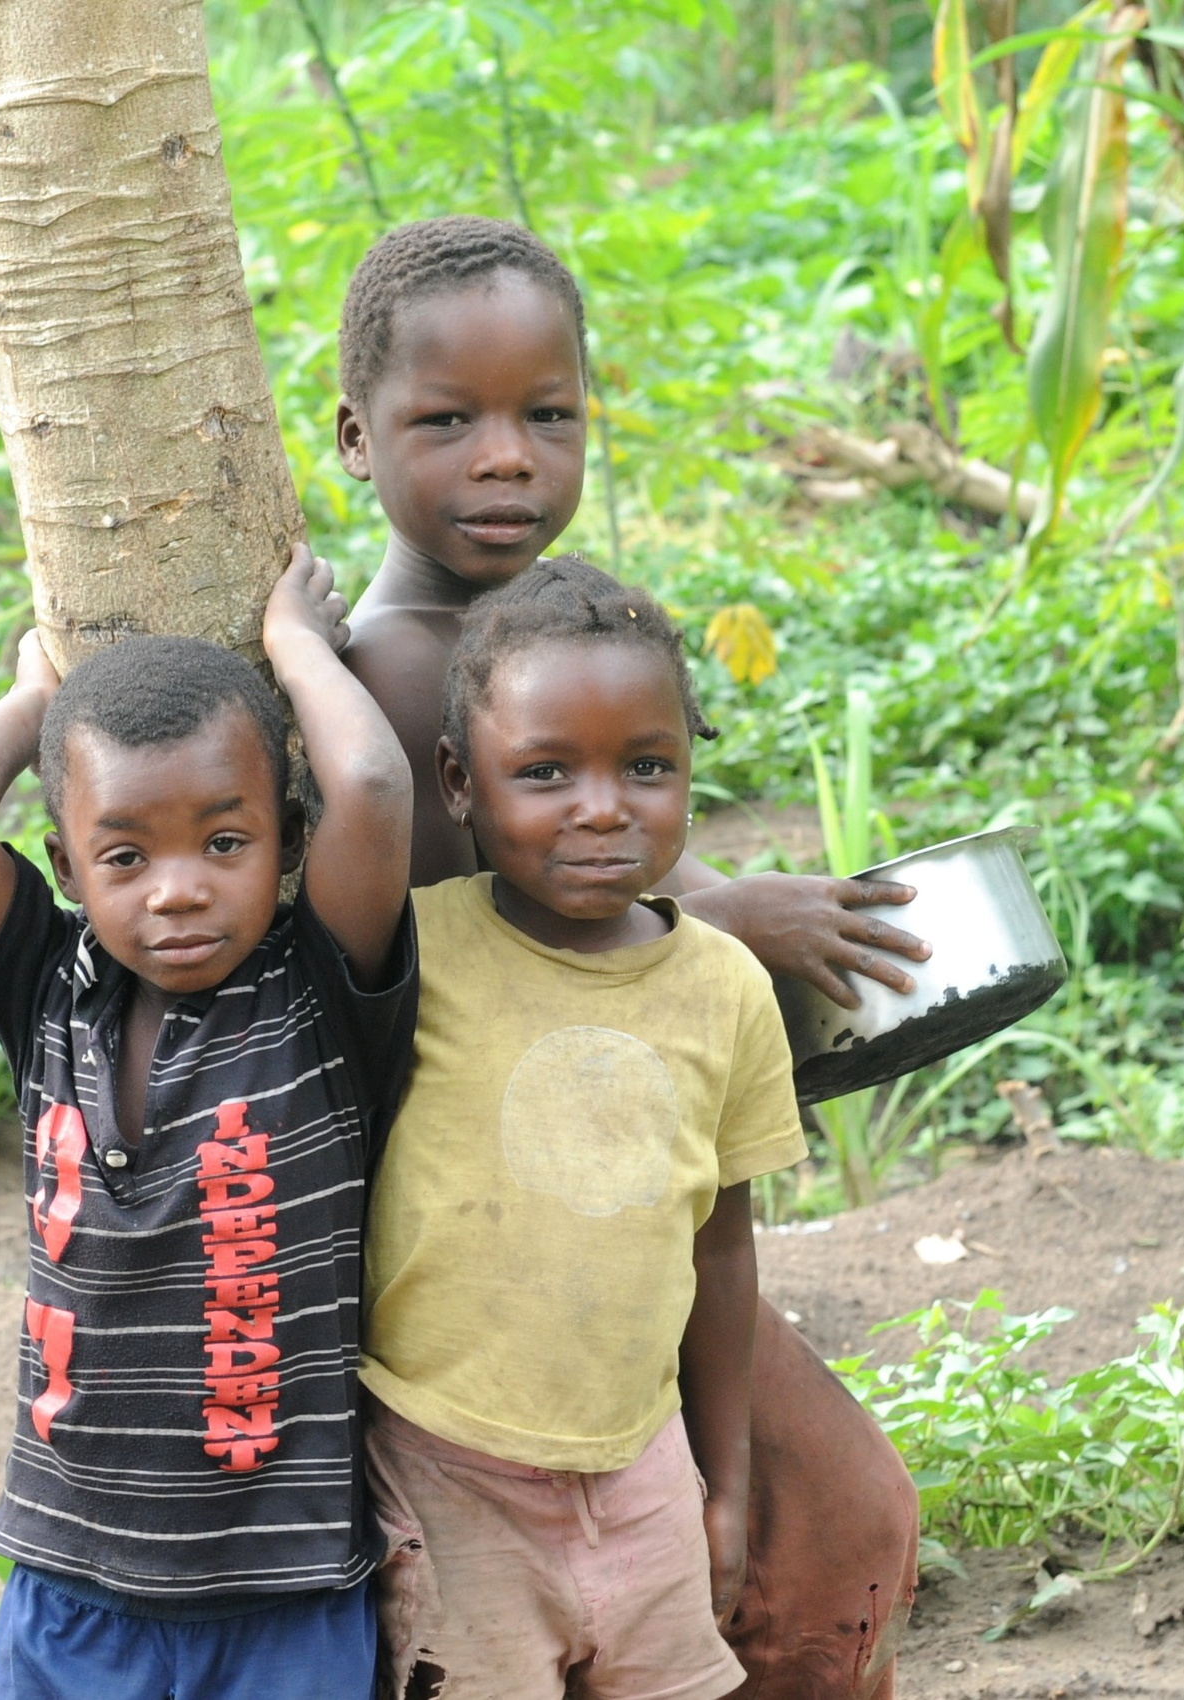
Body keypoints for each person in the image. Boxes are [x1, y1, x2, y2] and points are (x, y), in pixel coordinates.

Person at [335, 214, 923, 1698]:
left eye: (547, 415)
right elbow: (509, 943)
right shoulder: (403, 677)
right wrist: (742, 917)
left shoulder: (528, 626)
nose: (506, 459)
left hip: (616, 1199)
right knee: (829, 1528)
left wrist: (728, 906)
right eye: (450, 421)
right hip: (502, 1254)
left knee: (807, 1530)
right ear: (354, 437)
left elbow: (616, 875)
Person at [0, 547, 414, 1700]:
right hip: (70, 1580)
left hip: (284, 1592)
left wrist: (295, 645)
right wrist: (37, 699)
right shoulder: (45, 991)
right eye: (125, 855)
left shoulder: (315, 994)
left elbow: (372, 790)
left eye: (225, 842)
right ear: (67, 866)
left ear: (284, 839)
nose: (176, 888)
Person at [361, 558, 805, 1700]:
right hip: (444, 1469)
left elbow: (719, 1247)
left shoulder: (725, 987)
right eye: (545, 771)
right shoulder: (415, 952)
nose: (603, 807)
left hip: (641, 1468)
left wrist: (727, 1477)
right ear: (458, 784)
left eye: (647, 766)